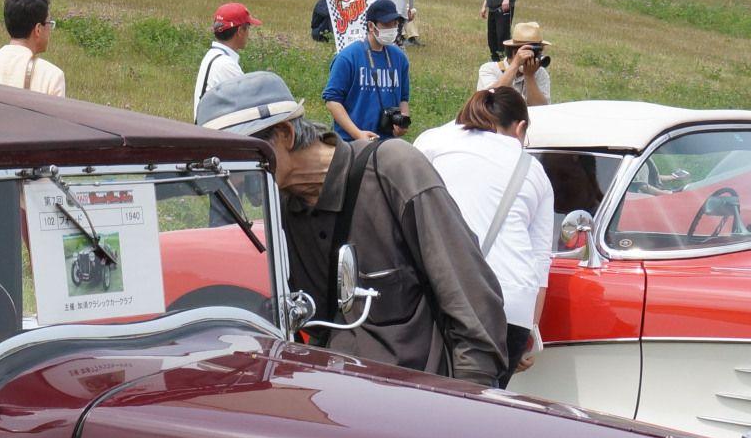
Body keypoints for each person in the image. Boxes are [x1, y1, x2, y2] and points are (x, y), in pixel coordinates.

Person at [198, 71, 508, 385]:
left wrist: (470, 394)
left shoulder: (393, 169)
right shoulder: (282, 208)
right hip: (337, 399)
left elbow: (471, 295)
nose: (233, 178)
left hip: (419, 398)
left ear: (285, 134)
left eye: (241, 159)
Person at [417, 86, 552, 387]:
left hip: (442, 291)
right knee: (482, 413)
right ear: (521, 128)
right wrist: (528, 334)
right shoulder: (533, 170)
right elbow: (540, 262)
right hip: (508, 307)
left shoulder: (436, 143)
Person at [321, 0, 409, 143]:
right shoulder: (348, 57)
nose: (392, 29)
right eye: (386, 24)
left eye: (395, 24)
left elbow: (404, 99)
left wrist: (403, 121)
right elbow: (332, 101)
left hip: (388, 143)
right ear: (371, 26)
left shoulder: (400, 58)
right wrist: (357, 134)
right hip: (351, 142)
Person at [193, 2, 260, 121]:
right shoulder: (225, 65)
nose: (249, 33)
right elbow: (249, 107)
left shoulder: (213, 55)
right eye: (248, 28)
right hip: (212, 135)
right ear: (240, 31)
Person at [478, 21, 551, 105]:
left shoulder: (540, 73)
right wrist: (516, 64)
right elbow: (491, 100)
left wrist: (529, 76)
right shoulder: (489, 69)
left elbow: (541, 109)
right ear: (515, 52)